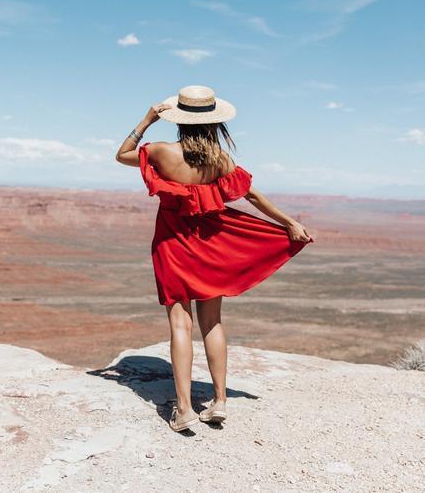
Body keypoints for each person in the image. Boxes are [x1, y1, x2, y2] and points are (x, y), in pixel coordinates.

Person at [116, 85, 315, 432]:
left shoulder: (162, 152)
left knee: (181, 324)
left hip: (172, 245)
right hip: (209, 246)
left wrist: (146, 120)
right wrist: (289, 223)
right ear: (213, 122)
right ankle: (219, 400)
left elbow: (122, 154)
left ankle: (184, 409)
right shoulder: (221, 159)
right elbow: (252, 197)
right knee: (213, 322)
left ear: (179, 120)